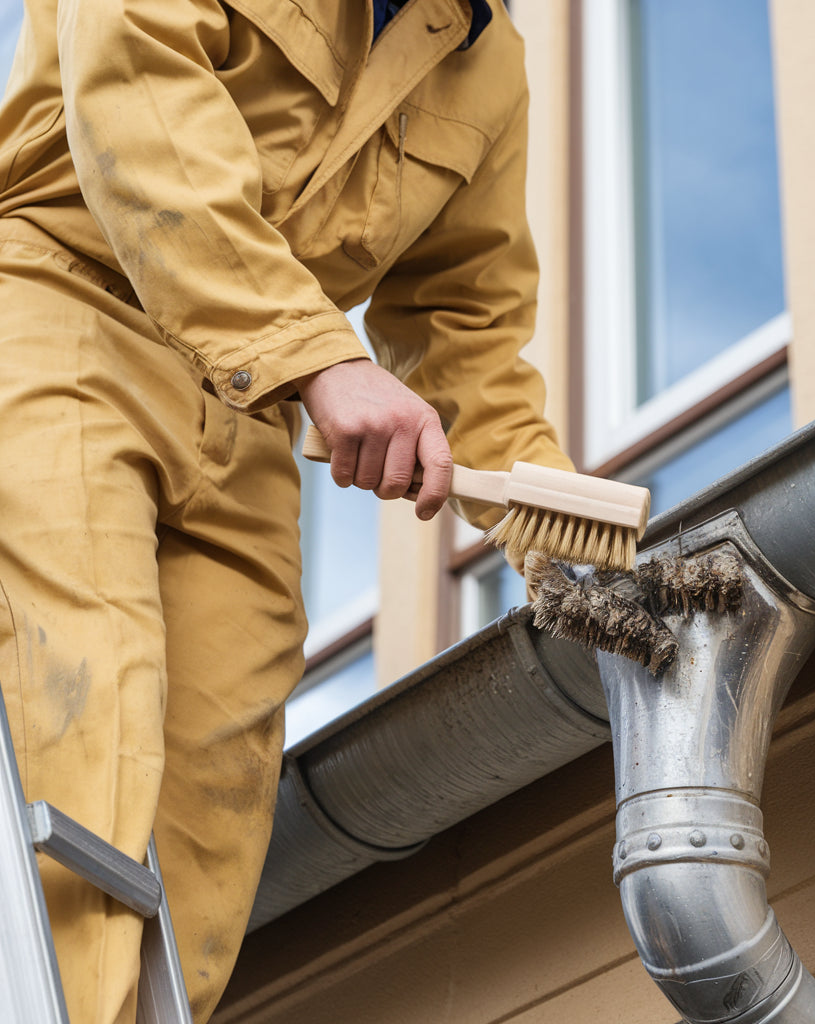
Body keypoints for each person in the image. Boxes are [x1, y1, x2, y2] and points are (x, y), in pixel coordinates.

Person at [0, 0, 573, 1020]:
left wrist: (569, 544)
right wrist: (319, 357)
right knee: (87, 704)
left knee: (208, 824)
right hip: (64, 301)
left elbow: (467, 328)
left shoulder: (483, 61)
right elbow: (137, 88)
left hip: (246, 412)